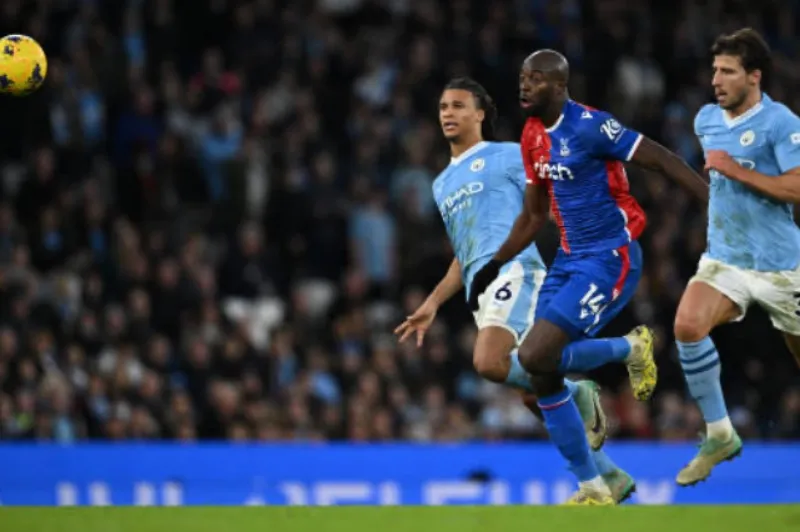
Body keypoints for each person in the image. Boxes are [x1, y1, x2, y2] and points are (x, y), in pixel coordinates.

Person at [468, 51, 708, 505]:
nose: (524, 86)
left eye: (536, 80)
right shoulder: (532, 135)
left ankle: (631, 347)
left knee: (537, 353)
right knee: (537, 377)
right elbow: (535, 213)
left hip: (609, 258)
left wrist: (713, 204)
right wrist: (495, 262)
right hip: (568, 259)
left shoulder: (592, 127)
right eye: (522, 78)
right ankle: (598, 485)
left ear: (559, 87)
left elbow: (661, 159)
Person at [395, 77, 635, 504]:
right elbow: (466, 254)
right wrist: (432, 303)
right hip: (484, 289)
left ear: (481, 113)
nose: (447, 113)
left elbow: (548, 197)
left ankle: (598, 376)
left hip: (518, 273)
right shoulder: (441, 184)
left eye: (458, 105)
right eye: (443, 106)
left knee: (488, 360)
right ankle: (608, 476)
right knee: (535, 393)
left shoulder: (509, 155)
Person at [673, 28, 800, 486]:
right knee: (687, 325)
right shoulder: (706, 119)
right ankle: (720, 434)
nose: (717, 79)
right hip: (725, 260)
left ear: (754, 77)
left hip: (784, 266)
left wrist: (735, 171)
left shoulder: (781, 122)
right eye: (714, 71)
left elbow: (797, 187)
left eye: (728, 71)